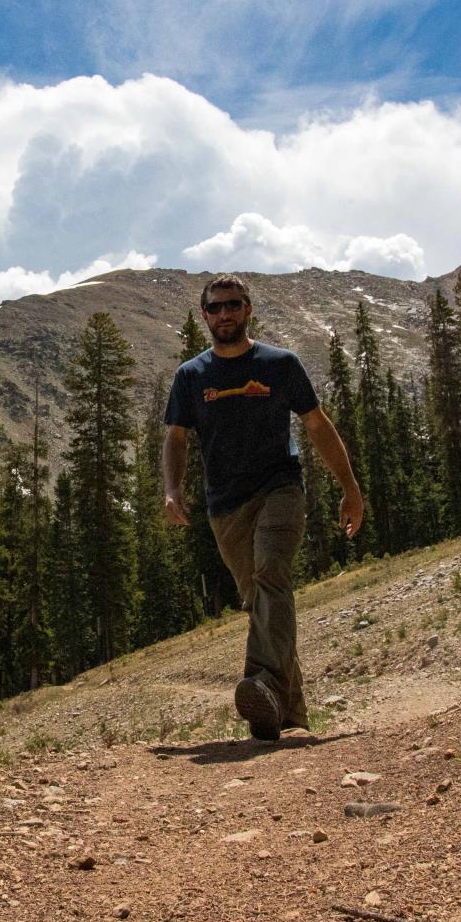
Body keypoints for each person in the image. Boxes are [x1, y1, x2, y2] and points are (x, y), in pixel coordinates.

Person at [161, 274, 366, 741]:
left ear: (248, 309)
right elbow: (175, 436)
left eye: (232, 305)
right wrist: (172, 489)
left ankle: (260, 682)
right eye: (215, 308)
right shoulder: (191, 376)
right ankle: (287, 716)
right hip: (224, 505)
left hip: (280, 489)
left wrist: (350, 488)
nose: (225, 314)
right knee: (261, 602)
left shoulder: (280, 364)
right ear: (204, 316)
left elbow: (317, 425)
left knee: (271, 574)